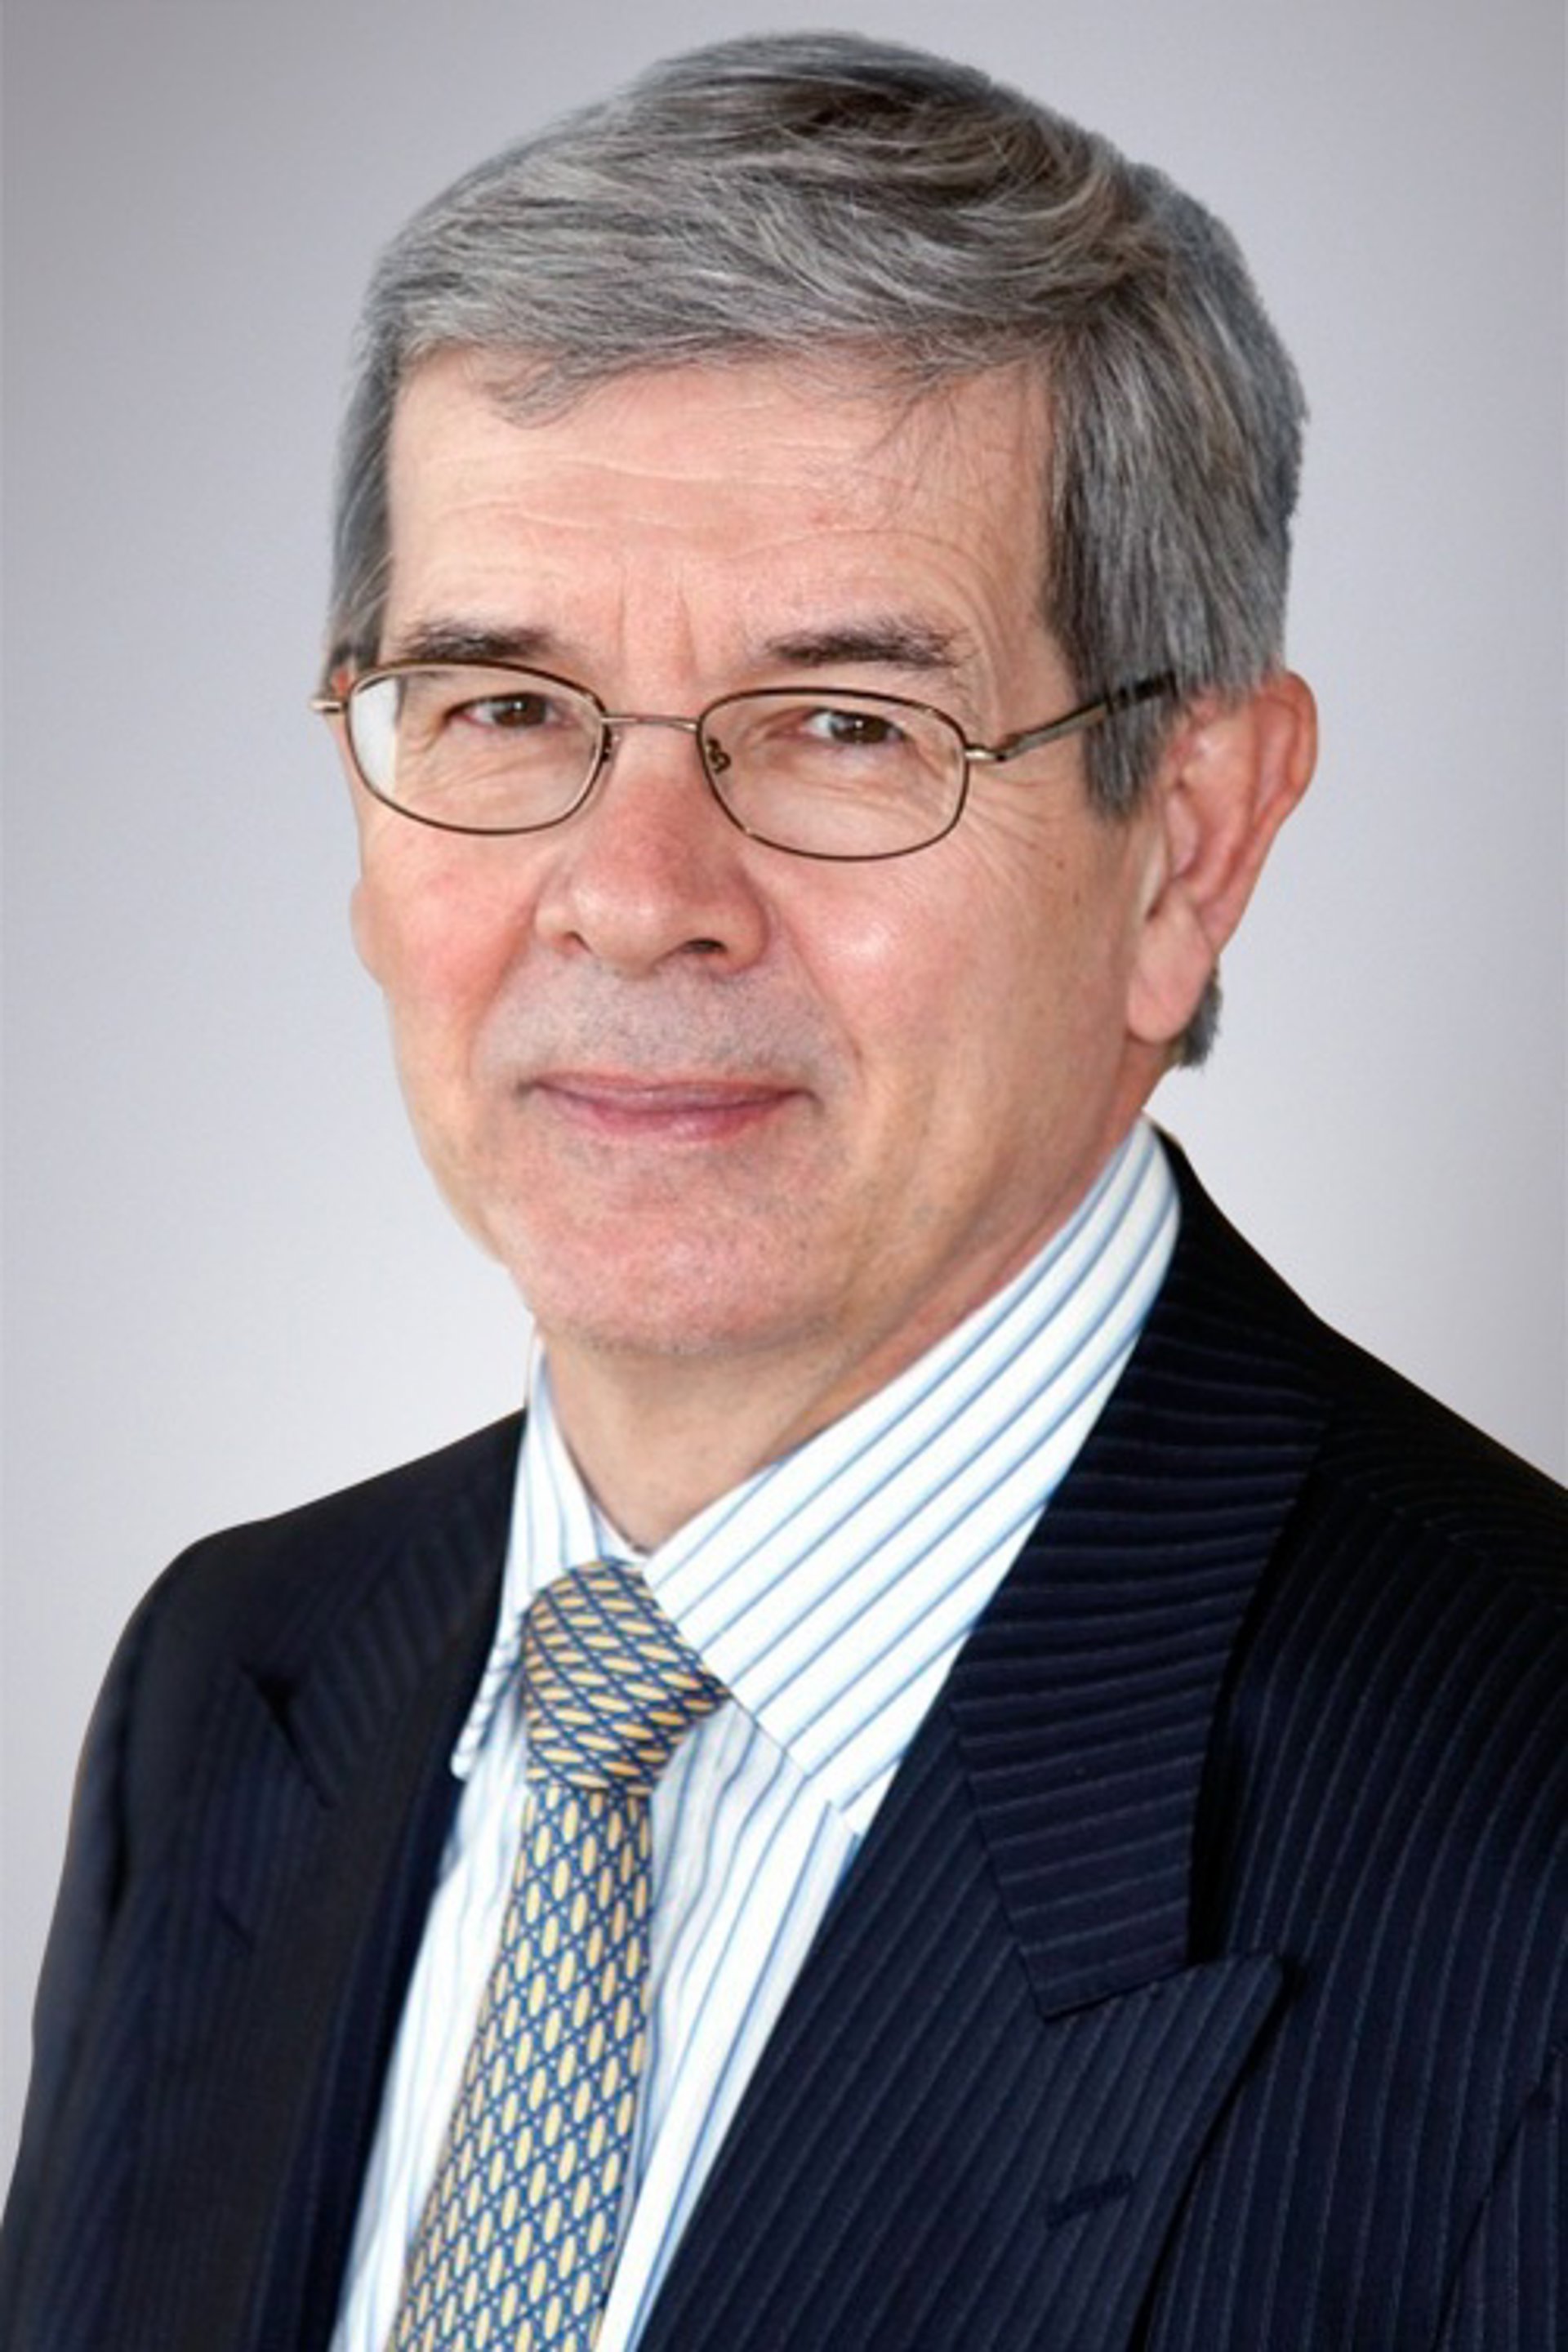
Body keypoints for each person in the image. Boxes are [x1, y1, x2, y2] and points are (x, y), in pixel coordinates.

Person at [2, 31, 1562, 2352]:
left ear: (1191, 843)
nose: (636, 898)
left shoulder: (1527, 1853)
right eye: (502, 705)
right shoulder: (234, 1687)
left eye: (847, 725)